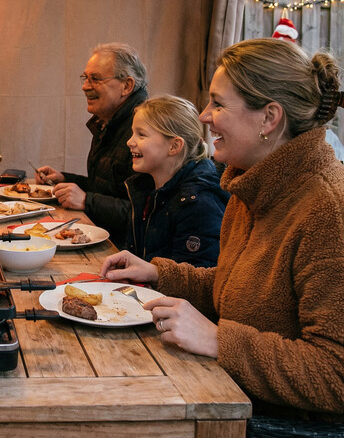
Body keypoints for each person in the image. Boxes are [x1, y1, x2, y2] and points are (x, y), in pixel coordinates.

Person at [100, 38, 344, 434]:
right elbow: (243, 286)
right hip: (230, 397)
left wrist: (218, 340)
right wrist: (161, 274)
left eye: (218, 104)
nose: (204, 115)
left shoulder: (328, 210)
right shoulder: (253, 187)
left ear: (269, 118)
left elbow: (335, 374)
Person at [36, 43, 148, 246]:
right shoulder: (108, 121)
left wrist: (87, 201)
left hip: (123, 254)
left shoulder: (143, 128)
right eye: (85, 78)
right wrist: (65, 179)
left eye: (95, 79)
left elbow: (145, 214)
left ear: (127, 86)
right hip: (102, 239)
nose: (85, 86)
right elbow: (109, 188)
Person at [124, 95, 228, 267]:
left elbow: (194, 281)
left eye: (141, 135)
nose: (129, 142)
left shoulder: (198, 204)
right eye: (132, 133)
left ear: (174, 146)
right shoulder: (145, 189)